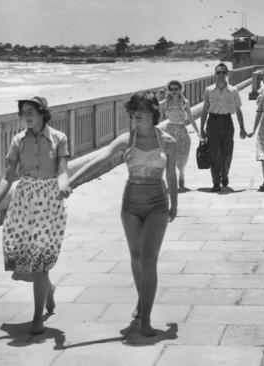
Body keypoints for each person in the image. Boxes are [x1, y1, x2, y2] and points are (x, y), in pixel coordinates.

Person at [69, 91, 178, 337]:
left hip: (158, 204)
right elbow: (100, 159)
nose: (136, 115)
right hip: (131, 204)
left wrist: (175, 205)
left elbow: (171, 175)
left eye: (141, 110)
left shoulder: (168, 141)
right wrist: (71, 181)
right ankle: (141, 301)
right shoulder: (126, 140)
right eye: (133, 111)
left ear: (153, 111)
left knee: (149, 260)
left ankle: (146, 319)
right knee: (136, 257)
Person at [0, 96, 72, 335]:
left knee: (40, 263)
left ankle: (38, 317)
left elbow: (63, 171)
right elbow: (7, 176)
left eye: (31, 111)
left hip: (50, 201)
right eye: (23, 112)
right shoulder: (17, 140)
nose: (26, 116)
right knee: (21, 264)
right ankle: (48, 289)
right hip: (24, 199)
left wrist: (64, 185)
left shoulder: (59, 138)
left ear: (42, 113)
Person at [200, 63, 247, 192]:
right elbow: (204, 110)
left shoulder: (233, 90)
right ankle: (216, 182)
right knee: (213, 153)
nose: (220, 75)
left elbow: (238, 110)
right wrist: (201, 129)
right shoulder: (208, 90)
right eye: (218, 72)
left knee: (227, 153)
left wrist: (242, 127)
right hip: (212, 122)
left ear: (227, 74)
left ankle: (225, 174)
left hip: (227, 122)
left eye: (223, 72)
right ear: (215, 74)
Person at [159, 80, 202, 189]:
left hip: (182, 130)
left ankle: (181, 173)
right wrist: (157, 96)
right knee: (170, 158)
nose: (174, 91)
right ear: (168, 90)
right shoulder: (165, 102)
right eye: (171, 89)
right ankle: (171, 179)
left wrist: (198, 132)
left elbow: (191, 118)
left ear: (180, 89)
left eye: (176, 89)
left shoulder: (184, 102)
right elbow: (154, 108)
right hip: (170, 131)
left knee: (182, 156)